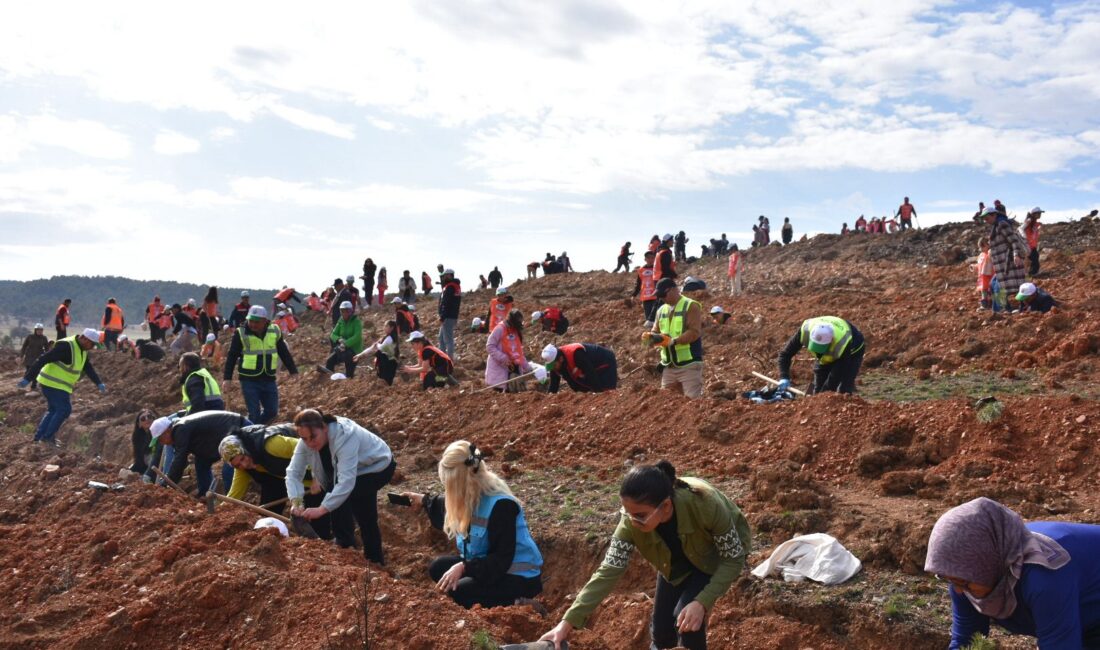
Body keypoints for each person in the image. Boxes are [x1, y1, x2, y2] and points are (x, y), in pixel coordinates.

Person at [539, 461, 751, 650]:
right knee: (661, 632)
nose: (632, 521)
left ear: (665, 506)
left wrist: (702, 602)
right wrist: (566, 623)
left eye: (639, 515)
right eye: (627, 513)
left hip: (713, 556)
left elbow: (733, 559)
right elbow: (609, 570)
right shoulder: (630, 522)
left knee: (687, 619)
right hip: (674, 563)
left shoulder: (705, 505)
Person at [923, 497, 1100, 649]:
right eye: (951, 580)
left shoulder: (1044, 578)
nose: (959, 590)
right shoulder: (967, 577)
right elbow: (965, 643)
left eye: (963, 582)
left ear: (985, 562)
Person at [399, 441, 543, 609]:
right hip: (486, 567)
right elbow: (445, 506)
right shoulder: (470, 497)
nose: (447, 489)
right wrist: (423, 500)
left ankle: (521, 604)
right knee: (438, 569)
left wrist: (464, 567)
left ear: (459, 482)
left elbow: (500, 560)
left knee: (459, 592)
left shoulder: (502, 506)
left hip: (516, 576)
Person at [287, 409, 396, 564]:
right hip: (352, 472)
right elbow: (293, 473)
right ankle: (347, 547)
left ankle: (364, 555)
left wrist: (321, 509)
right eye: (304, 439)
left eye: (313, 437)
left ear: (324, 427)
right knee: (337, 495)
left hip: (377, 467)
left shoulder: (345, 436)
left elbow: (346, 482)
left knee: (362, 513)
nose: (310, 443)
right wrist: (297, 502)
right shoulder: (306, 442)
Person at [218, 424, 328, 526]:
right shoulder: (242, 468)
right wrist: (218, 513)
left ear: (245, 449)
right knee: (267, 517)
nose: (244, 464)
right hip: (283, 475)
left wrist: (316, 477)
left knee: (316, 517)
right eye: (238, 465)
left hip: (320, 462)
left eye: (242, 458)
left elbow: (309, 449)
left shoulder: (271, 444)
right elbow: (234, 495)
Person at [20, 328, 105, 447]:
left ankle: (40, 437)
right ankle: (47, 438)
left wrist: (98, 382)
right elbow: (43, 359)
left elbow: (88, 367)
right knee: (64, 409)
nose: (93, 347)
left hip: (59, 385)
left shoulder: (82, 350)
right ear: (85, 339)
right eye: (92, 344)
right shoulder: (66, 346)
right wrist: (28, 377)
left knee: (54, 410)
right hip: (52, 383)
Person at [224, 305, 299, 424]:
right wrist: (227, 378)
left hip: (268, 378)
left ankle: (253, 428)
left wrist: (293, 371)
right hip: (249, 379)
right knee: (254, 413)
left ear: (264, 321)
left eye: (256, 322)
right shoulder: (241, 333)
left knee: (272, 412)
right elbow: (232, 356)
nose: (253, 324)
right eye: (251, 321)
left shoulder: (274, 330)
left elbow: (283, 352)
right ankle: (253, 435)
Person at [150, 410, 248, 496]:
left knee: (229, 469)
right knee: (201, 463)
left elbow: (179, 459)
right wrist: (168, 482)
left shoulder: (180, 429)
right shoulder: (178, 430)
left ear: (166, 431)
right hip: (221, 438)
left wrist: (166, 483)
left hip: (240, 428)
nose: (161, 443)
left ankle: (232, 504)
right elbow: (181, 461)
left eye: (160, 439)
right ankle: (204, 495)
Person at [776, 316, 865, 395]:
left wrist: (824, 396)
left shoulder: (841, 343)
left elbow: (836, 376)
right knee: (818, 390)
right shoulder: (805, 331)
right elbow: (785, 355)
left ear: (831, 341)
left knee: (843, 390)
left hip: (853, 351)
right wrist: (784, 377)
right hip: (830, 353)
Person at [648, 278, 705, 399]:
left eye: (663, 294)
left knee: (692, 403)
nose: (662, 298)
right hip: (669, 365)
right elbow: (655, 330)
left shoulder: (690, 306)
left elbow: (694, 332)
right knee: (668, 405)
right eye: (659, 296)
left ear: (674, 290)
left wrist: (673, 341)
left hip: (689, 364)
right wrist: (652, 337)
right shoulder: (661, 310)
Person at [984, 206, 1029, 309]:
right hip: (1003, 264)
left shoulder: (1002, 224)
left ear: (994, 215)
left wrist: (1016, 254)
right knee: (998, 285)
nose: (986, 221)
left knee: (1000, 287)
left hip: (1009, 263)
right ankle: (1009, 308)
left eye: (987, 218)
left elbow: (1014, 240)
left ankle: (1001, 311)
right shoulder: (996, 225)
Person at [540, 343, 617, 393]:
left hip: (604, 362)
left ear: (560, 359)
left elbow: (591, 373)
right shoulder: (555, 364)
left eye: (553, 365)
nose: (552, 368)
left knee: (606, 391)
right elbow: (554, 384)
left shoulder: (576, 354)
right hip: (589, 370)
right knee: (576, 384)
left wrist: (598, 393)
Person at [486, 309, 533, 392]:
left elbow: (519, 352)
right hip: (500, 369)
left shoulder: (516, 331)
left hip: (514, 368)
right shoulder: (499, 329)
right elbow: (490, 346)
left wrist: (529, 368)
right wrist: (503, 358)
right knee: (500, 394)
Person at [354, 320, 400, 385]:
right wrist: (360, 355)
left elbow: (381, 347)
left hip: (389, 365)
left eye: (386, 326)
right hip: (383, 365)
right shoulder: (385, 338)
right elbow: (372, 348)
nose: (384, 327)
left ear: (392, 328)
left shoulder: (391, 339)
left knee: (387, 383)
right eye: (384, 326)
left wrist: (377, 345)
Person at [326, 301, 363, 378]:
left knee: (349, 372)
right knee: (330, 361)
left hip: (353, 350)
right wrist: (339, 339)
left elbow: (357, 336)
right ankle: (330, 380)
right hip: (342, 348)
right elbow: (333, 334)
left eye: (347, 311)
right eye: (342, 311)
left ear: (351, 311)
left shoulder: (356, 321)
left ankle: (348, 382)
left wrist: (345, 343)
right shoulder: (341, 321)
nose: (345, 313)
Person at [438, 269, 462, 359]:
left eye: (445, 276)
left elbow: (446, 302)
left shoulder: (450, 287)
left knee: (448, 340)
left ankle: (449, 360)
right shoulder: (455, 286)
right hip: (450, 316)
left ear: (450, 275)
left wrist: (442, 316)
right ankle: (443, 357)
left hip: (448, 317)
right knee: (441, 339)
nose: (444, 277)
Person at [633, 250, 659, 327]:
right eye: (649, 258)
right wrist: (634, 295)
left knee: (657, 317)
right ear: (645, 259)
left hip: (656, 296)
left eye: (652, 258)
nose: (651, 260)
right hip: (645, 297)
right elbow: (638, 283)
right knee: (649, 318)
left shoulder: (657, 269)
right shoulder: (641, 270)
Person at [19, 324, 50, 389]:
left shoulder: (44, 338)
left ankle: (34, 385)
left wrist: (47, 356)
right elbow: (24, 346)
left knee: (37, 371)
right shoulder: (30, 337)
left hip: (38, 357)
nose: (39, 331)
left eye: (41, 330)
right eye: (38, 330)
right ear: (35, 330)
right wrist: (21, 356)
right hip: (29, 357)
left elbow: (47, 348)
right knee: (28, 371)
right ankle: (23, 384)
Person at [130, 409, 158, 476]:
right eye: (143, 418)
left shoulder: (159, 432)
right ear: (139, 424)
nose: (147, 419)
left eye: (149, 416)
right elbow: (139, 458)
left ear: (153, 418)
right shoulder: (138, 438)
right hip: (147, 465)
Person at [1022, 207, 1043, 277]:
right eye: (1039, 213)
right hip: (1027, 245)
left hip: (1032, 245)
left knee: (1035, 258)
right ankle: (1032, 273)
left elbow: (1035, 232)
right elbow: (1020, 228)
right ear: (1034, 214)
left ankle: (1031, 273)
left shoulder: (1035, 223)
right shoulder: (1029, 220)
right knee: (1034, 259)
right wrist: (1024, 237)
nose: (1040, 215)